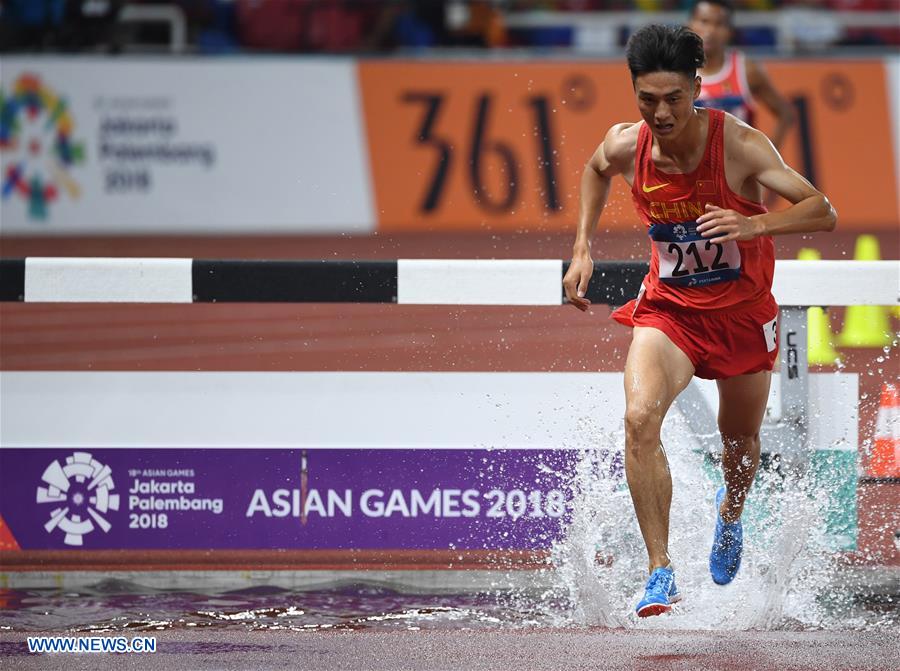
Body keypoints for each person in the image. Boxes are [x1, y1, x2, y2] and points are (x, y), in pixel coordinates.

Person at [562, 24, 836, 618]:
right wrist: (582, 247)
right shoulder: (625, 143)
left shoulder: (738, 144)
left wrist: (754, 225)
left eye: (673, 99)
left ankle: (730, 511)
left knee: (740, 442)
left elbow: (823, 210)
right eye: (646, 99)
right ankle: (661, 571)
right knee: (639, 418)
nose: (660, 113)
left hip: (741, 317)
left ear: (697, 86)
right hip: (671, 311)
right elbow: (592, 168)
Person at [688, 0, 795, 150]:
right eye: (704, 22)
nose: (710, 31)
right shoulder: (680, 72)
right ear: (690, 25)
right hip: (695, 169)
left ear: (730, 32)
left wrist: (768, 159)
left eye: (719, 24)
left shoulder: (746, 70)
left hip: (738, 169)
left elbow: (786, 114)